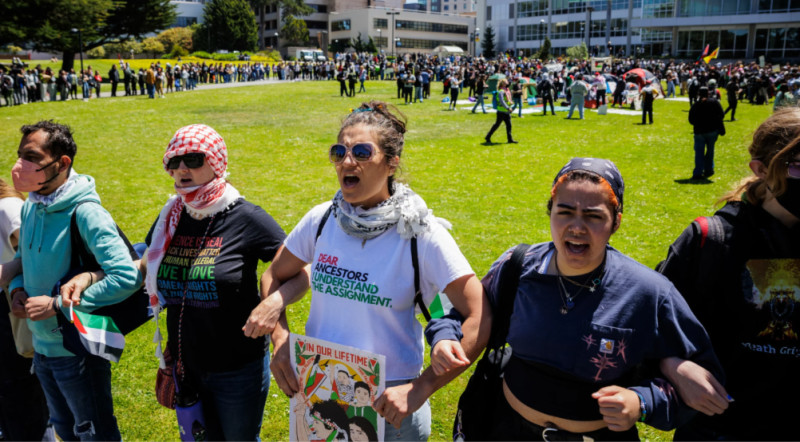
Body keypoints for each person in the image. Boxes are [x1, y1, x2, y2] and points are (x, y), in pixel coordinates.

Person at [429, 158, 724, 441]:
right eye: (565, 211)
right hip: (506, 429)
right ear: (551, 212)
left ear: (616, 222)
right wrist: (443, 336)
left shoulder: (650, 293)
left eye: (594, 216)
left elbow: (706, 382)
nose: (577, 227)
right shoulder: (516, 266)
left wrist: (642, 402)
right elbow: (458, 308)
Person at [264, 101, 489, 441]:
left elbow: (480, 315)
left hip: (391, 401)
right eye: (339, 152)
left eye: (362, 152)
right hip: (320, 388)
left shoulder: (420, 232)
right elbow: (273, 275)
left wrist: (421, 387)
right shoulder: (321, 219)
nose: (347, 162)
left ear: (392, 162)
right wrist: (280, 340)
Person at [143, 124, 303, 441]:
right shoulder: (172, 215)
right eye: (174, 161)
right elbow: (147, 261)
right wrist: (92, 278)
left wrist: (274, 304)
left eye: (192, 159)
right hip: (186, 364)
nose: (181, 169)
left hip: (237, 369)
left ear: (216, 161)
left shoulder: (246, 217)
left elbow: (302, 269)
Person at [658, 107, 800, 440]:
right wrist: (673, 367)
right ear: (761, 170)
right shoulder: (710, 240)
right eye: (798, 166)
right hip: (718, 429)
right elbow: (651, 327)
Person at [8, 120, 141, 441]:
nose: (20, 166)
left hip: (77, 351)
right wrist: (17, 289)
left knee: (94, 433)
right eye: (19, 155)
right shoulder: (32, 206)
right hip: (42, 350)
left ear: (62, 163)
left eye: (32, 157)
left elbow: (126, 275)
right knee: (64, 429)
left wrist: (56, 305)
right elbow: (27, 261)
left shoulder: (86, 212)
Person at [0, 179, 50, 442]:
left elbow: (38, 251)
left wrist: (9, 274)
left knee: (19, 388)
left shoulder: (8, 207)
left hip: (11, 307)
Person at [689, 87, 725, 179]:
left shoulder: (696, 105)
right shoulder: (714, 102)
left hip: (699, 131)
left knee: (699, 153)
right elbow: (722, 114)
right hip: (712, 131)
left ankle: (698, 172)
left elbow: (691, 119)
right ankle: (708, 169)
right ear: (708, 93)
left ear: (698, 94)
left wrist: (698, 123)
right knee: (710, 151)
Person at [485, 80, 517, 144]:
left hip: (506, 111)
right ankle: (488, 136)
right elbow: (502, 101)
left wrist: (510, 102)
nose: (508, 83)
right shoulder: (501, 91)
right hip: (501, 111)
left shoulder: (506, 90)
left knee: (509, 125)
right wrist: (508, 107)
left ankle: (510, 139)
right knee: (497, 125)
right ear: (503, 84)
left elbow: (507, 99)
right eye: (506, 82)